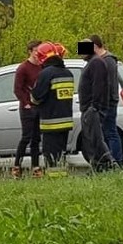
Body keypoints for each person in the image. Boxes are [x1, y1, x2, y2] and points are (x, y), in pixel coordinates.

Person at [30, 42, 74, 176]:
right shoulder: (68, 73)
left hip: (51, 123)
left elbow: (36, 97)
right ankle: (62, 178)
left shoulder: (46, 74)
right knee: (61, 155)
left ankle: (55, 181)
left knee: (51, 156)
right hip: (66, 122)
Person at [77, 38, 115, 172]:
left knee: (96, 139)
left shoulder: (97, 63)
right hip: (88, 108)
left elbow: (99, 86)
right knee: (90, 140)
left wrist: (94, 107)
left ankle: (108, 164)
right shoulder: (92, 63)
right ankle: (98, 166)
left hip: (93, 109)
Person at [90, 34, 123, 165]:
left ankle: (116, 160)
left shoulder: (108, 61)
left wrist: (102, 101)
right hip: (107, 101)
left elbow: (106, 84)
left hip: (108, 102)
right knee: (106, 132)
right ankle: (110, 159)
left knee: (110, 132)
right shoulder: (104, 60)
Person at [12, 40, 43, 179]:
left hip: (39, 107)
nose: (38, 53)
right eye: (36, 50)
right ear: (30, 51)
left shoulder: (42, 67)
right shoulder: (23, 68)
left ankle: (35, 167)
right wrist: (26, 104)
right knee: (26, 137)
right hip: (27, 108)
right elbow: (17, 89)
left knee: (36, 138)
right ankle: (17, 166)